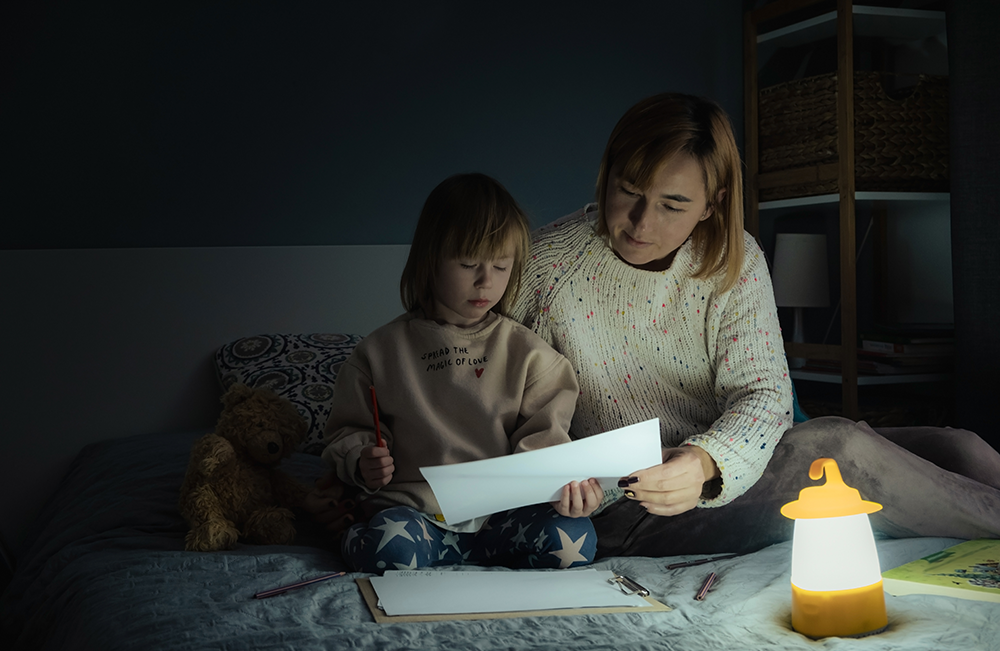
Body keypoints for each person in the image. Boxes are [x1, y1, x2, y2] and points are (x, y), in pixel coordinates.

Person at [509, 91, 1000, 558]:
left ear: (712, 203)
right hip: (631, 507)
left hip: (722, 470)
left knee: (961, 449)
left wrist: (703, 461)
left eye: (672, 205)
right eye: (628, 191)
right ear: (606, 174)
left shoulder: (733, 262)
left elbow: (764, 394)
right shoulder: (545, 265)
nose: (641, 222)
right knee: (840, 448)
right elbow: (471, 373)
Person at [303, 173, 603, 574]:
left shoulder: (531, 355)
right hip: (417, 515)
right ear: (430, 259)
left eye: (500, 266)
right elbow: (348, 432)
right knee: (388, 551)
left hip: (501, 519)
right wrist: (361, 460)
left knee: (577, 540)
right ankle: (356, 535)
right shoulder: (378, 354)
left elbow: (545, 445)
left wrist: (567, 488)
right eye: (468, 264)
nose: (486, 281)